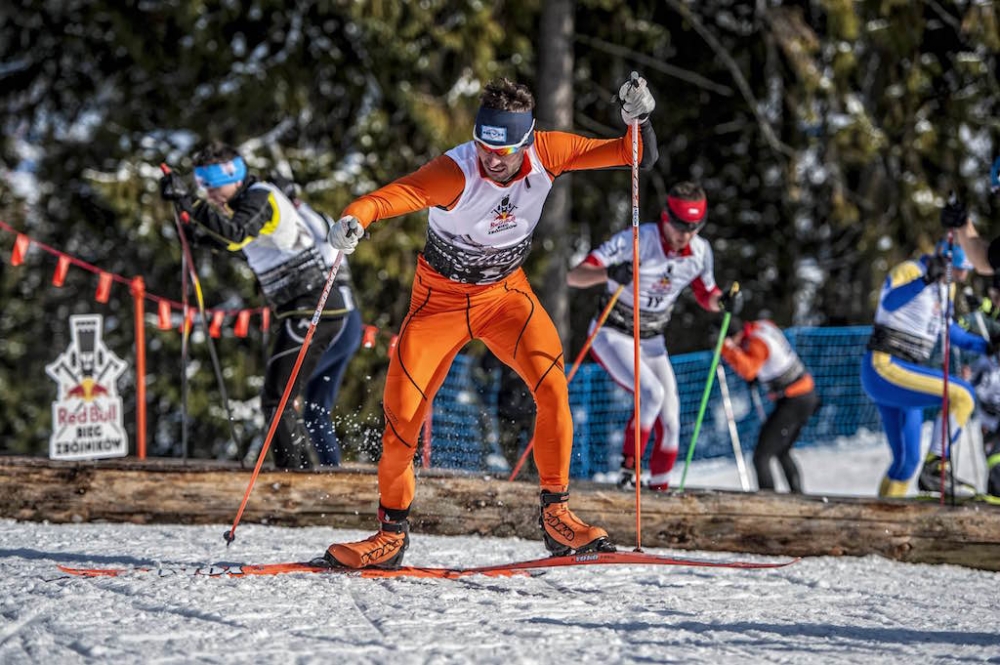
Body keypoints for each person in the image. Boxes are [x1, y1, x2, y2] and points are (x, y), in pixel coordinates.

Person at [323, 74, 659, 569]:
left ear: (526, 141)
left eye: (504, 151)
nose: (492, 159)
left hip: (505, 296)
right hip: (439, 301)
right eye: (484, 146)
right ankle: (389, 536)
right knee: (402, 419)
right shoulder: (454, 173)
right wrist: (355, 218)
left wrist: (640, 120)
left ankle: (557, 517)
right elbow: (389, 197)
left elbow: (634, 156)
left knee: (553, 389)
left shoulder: (549, 151)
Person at [159, 142, 352, 469]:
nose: (210, 196)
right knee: (279, 398)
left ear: (234, 177)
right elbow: (241, 243)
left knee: (277, 398)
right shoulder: (251, 202)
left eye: (213, 187)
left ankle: (295, 478)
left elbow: (236, 233)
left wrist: (188, 202)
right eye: (203, 188)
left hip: (315, 309)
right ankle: (299, 473)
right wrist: (197, 235)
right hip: (306, 308)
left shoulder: (260, 197)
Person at [566, 182, 740, 492]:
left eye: (693, 227)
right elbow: (575, 276)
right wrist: (609, 273)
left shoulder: (700, 252)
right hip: (613, 332)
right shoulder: (636, 240)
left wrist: (723, 301)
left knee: (672, 418)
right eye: (679, 225)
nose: (684, 234)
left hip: (652, 340)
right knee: (652, 394)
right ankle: (628, 471)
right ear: (665, 217)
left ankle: (661, 492)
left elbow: (706, 294)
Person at [860, 239, 995, 497]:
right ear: (944, 261)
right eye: (958, 269)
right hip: (885, 366)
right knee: (963, 395)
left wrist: (985, 346)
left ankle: (881, 523)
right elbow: (889, 302)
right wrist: (923, 281)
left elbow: (949, 331)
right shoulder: (910, 271)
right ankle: (936, 468)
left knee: (907, 462)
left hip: (906, 374)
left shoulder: (948, 289)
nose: (962, 276)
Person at [276, 177, 364, 467]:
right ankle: (331, 471)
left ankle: (296, 468)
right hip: (347, 323)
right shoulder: (311, 214)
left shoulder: (305, 217)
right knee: (315, 410)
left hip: (337, 322)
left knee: (284, 393)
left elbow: (326, 250)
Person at [720, 319, 820, 493]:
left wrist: (725, 347)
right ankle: (799, 496)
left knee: (761, 456)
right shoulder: (762, 326)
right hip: (804, 394)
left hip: (794, 399)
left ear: (735, 336)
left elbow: (748, 369)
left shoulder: (757, 342)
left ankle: (768, 502)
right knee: (782, 451)